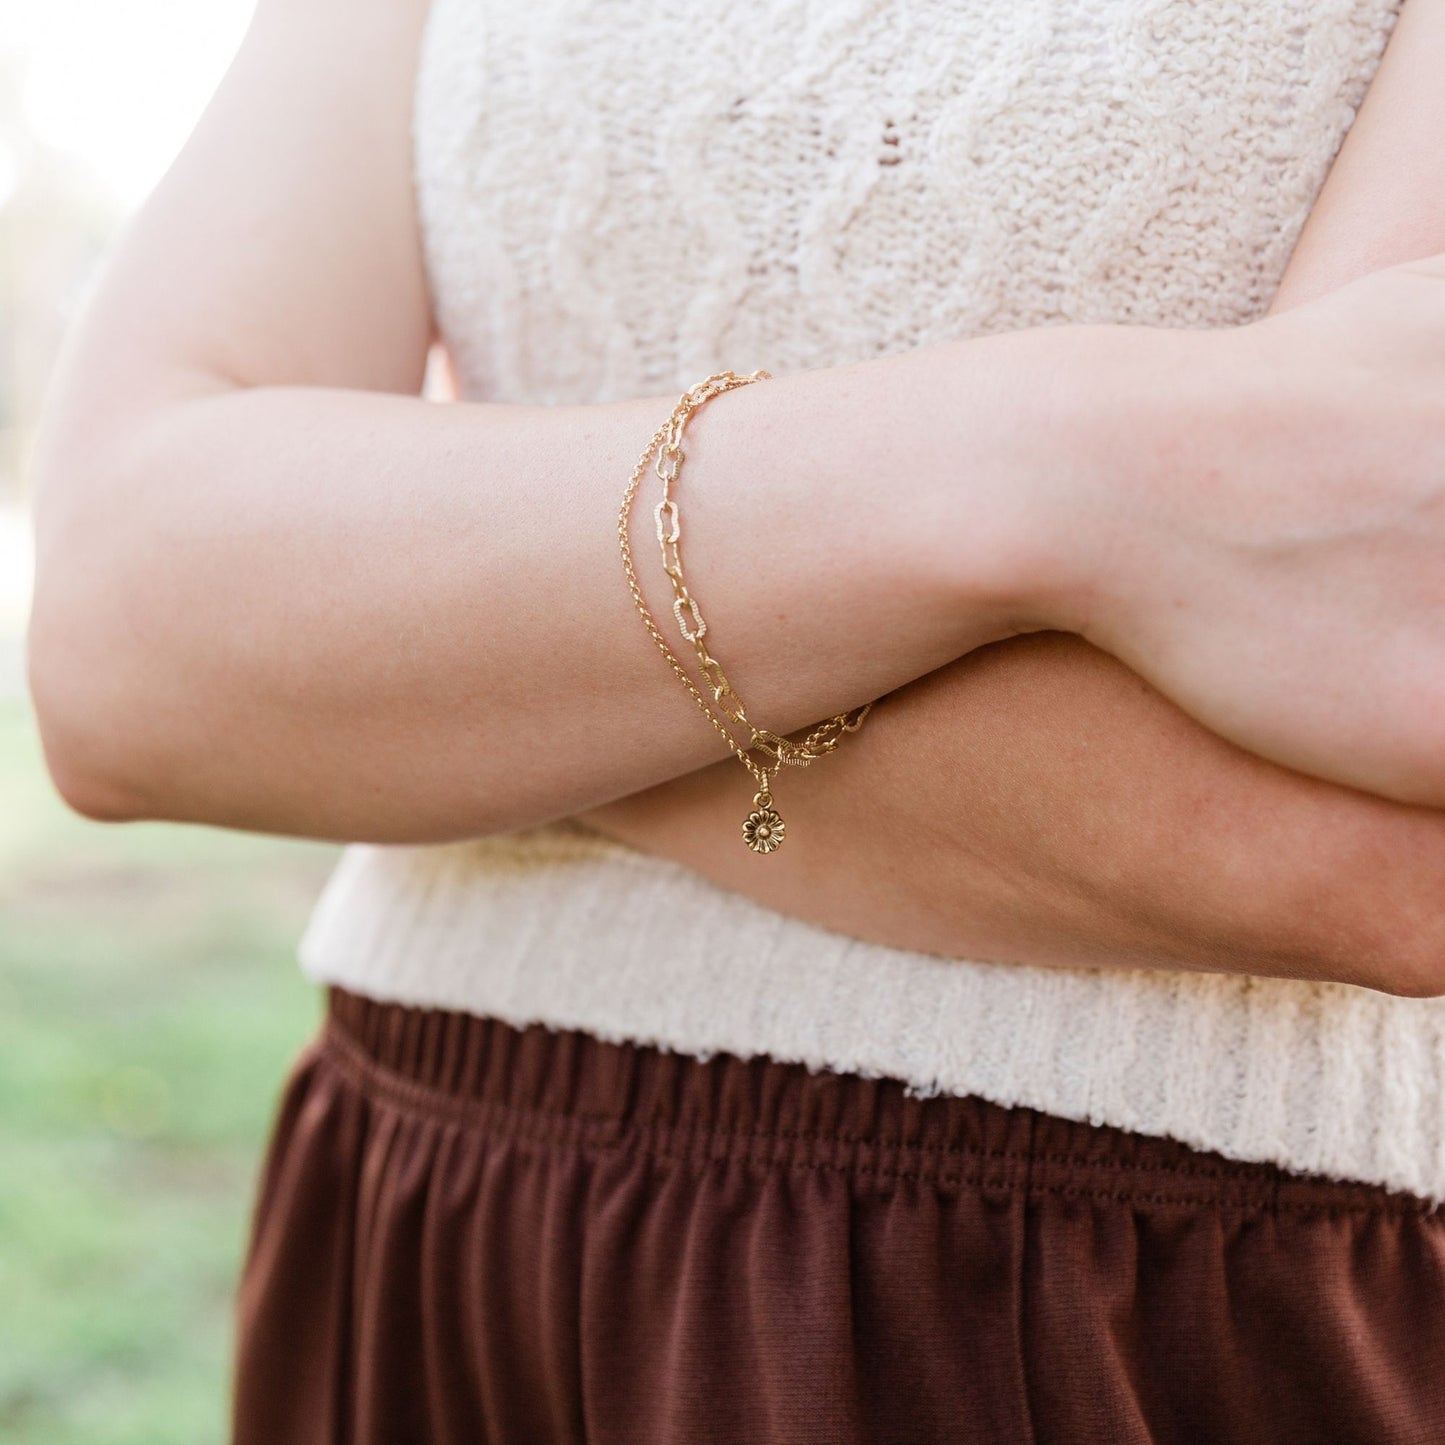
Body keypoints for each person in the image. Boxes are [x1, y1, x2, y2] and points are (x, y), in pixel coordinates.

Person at [25, 0, 1445, 1439]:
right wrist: (1045, 462)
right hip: (426, 1218)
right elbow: (117, 637)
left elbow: (1353, 837)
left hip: (1104, 1301)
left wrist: (407, 677)